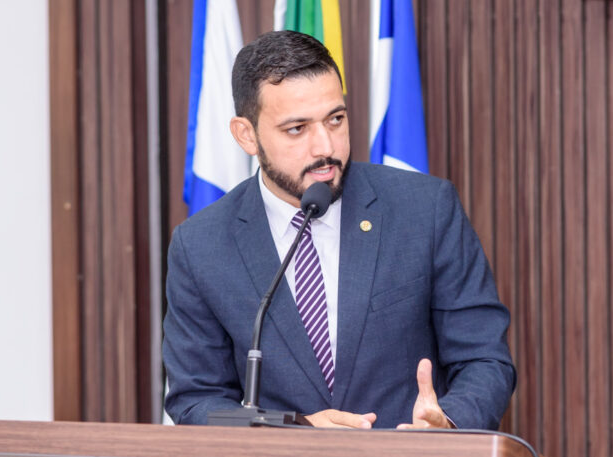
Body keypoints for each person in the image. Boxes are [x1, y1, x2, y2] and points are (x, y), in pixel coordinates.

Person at [163, 30, 515, 429]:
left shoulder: (426, 210)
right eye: (297, 129)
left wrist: (447, 423)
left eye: (335, 120)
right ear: (247, 135)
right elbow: (196, 400)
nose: (325, 147)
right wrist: (296, 430)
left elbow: (484, 359)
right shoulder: (201, 246)